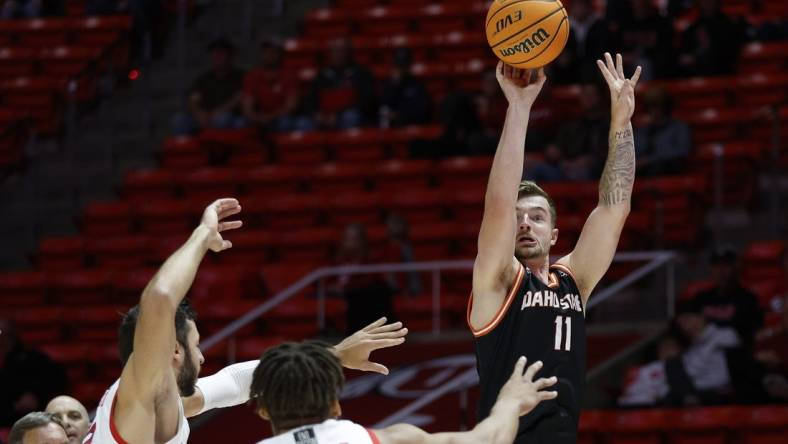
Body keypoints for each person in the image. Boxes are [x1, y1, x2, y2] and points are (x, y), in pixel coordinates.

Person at [84, 199, 408, 443]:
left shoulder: (162, 403)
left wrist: (331, 355)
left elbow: (235, 383)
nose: (202, 355)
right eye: (195, 344)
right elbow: (160, 298)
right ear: (173, 350)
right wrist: (203, 235)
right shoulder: (140, 393)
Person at [468, 53, 640, 443]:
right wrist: (519, 107)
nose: (525, 223)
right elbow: (497, 205)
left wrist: (622, 123)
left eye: (537, 217)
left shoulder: (572, 282)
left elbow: (615, 207)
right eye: (518, 218)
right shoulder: (498, 282)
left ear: (555, 236)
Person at [250, 341, 558, 444]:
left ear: (263, 409)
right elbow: (485, 440)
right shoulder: (386, 440)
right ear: (335, 405)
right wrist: (511, 402)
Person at [0, 319, 68, 427]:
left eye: (5, 334)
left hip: (31, 422)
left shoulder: (33, 359)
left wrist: (37, 395)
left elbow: (58, 380)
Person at [172, 38, 246, 136]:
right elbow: (193, 100)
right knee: (179, 120)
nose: (217, 56)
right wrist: (199, 114)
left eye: (221, 53)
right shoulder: (203, 79)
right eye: (214, 53)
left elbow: (238, 99)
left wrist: (217, 113)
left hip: (228, 117)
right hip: (205, 117)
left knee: (224, 120)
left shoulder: (241, 77)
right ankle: (183, 149)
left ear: (230, 56)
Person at [694, 247, 763, 347]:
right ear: (710, 269)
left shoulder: (748, 300)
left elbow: (753, 335)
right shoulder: (701, 298)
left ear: (736, 268)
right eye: (716, 265)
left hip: (734, 353)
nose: (721, 271)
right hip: (701, 352)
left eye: (726, 265)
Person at [334, 223, 396, 334]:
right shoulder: (336, 261)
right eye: (348, 238)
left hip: (358, 298)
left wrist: (346, 287)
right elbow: (321, 281)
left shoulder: (369, 261)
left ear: (362, 241)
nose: (351, 242)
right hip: (337, 295)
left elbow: (368, 282)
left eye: (354, 238)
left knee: (372, 294)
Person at [305, 38, 376, 129]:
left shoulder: (361, 73)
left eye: (341, 50)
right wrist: (316, 114)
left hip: (348, 115)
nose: (338, 54)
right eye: (334, 51)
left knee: (351, 117)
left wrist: (338, 115)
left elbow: (366, 101)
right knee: (303, 123)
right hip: (325, 115)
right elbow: (311, 99)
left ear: (349, 52)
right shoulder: (322, 75)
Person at [242, 40, 309, 133]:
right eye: (266, 52)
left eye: (274, 52)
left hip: (281, 117)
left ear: (279, 55)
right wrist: (256, 117)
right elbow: (247, 105)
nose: (270, 55)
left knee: (294, 123)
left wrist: (269, 117)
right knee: (239, 123)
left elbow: (291, 106)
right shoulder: (252, 75)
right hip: (259, 117)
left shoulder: (289, 75)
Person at [555, 81, 610, 180]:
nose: (587, 99)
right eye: (585, 95)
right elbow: (561, 149)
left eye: (592, 95)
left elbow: (612, 153)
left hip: (599, 169)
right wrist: (563, 160)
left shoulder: (610, 124)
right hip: (569, 166)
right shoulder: (573, 123)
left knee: (578, 172)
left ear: (600, 98)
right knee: (539, 170)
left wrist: (592, 160)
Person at [634, 86, 691, 177]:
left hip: (671, 174)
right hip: (644, 176)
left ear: (666, 107)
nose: (654, 110)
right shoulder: (642, 131)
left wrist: (650, 161)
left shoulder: (679, 128)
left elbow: (682, 151)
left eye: (658, 105)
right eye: (650, 106)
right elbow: (635, 154)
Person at [678, 0, 744, 76]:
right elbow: (685, 52)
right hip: (696, 75)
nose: (707, 2)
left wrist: (698, 59)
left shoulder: (728, 25)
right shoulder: (694, 27)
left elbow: (729, 54)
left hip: (722, 74)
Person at [380, 48, 431, 127]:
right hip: (392, 128)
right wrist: (394, 85)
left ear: (409, 65)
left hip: (412, 127)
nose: (401, 69)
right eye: (399, 65)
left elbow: (422, 111)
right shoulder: (389, 85)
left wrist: (400, 115)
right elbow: (384, 106)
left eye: (404, 65)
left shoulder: (417, 85)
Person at [383, 213, 422, 296]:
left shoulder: (408, 250)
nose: (395, 227)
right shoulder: (385, 250)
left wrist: (412, 290)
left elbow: (413, 274)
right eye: (393, 224)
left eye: (398, 223)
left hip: (407, 289)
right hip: (388, 290)